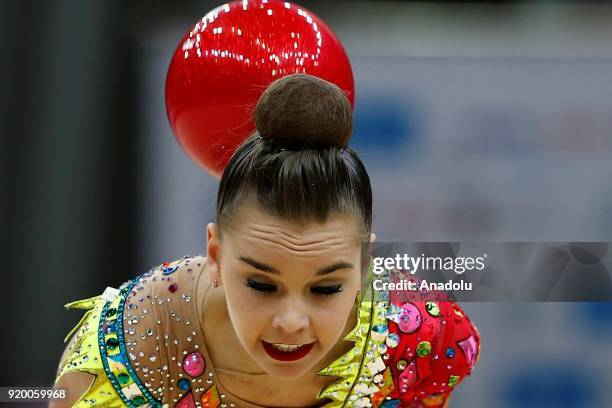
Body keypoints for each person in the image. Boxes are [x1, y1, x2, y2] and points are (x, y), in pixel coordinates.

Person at [53, 74, 480, 408]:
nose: (291, 322)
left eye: (326, 288)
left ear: (366, 262)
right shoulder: (125, 356)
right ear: (216, 255)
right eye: (261, 284)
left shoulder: (417, 339)